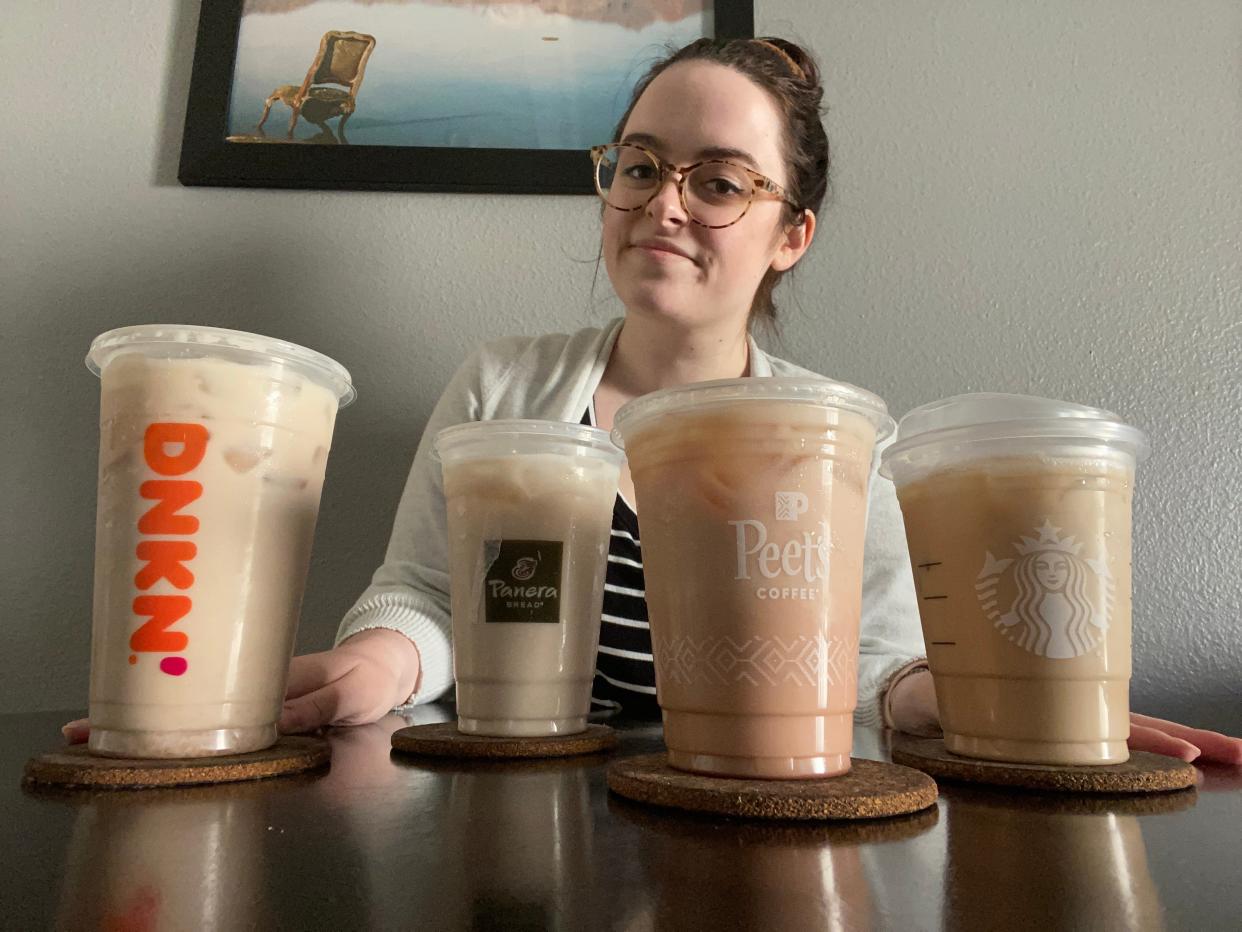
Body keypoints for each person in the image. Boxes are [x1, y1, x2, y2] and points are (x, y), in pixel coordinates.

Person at [65, 37, 1241, 764]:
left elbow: (880, 661)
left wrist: (1003, 704)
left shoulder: (838, 434)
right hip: (517, 804)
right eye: (638, 164)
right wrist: (376, 666)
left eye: (719, 181)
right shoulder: (507, 384)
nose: (661, 203)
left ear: (792, 234)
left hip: (743, 807)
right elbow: (424, 588)